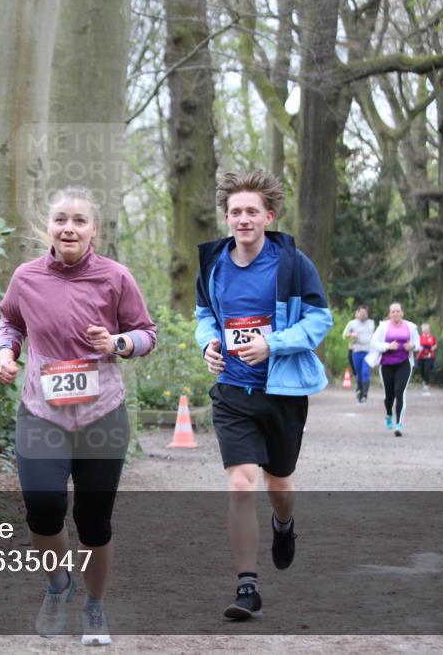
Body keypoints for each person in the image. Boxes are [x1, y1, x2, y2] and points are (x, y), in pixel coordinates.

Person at [0, 187, 156, 646]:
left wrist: (118, 343)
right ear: (48, 226)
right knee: (43, 510)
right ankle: (58, 586)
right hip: (41, 412)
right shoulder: (26, 277)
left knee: (94, 521)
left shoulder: (115, 277)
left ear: (94, 230)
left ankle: (95, 606)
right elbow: (10, 322)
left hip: (101, 413)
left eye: (79, 220)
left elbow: (146, 333)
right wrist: (7, 352)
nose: (69, 228)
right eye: (61, 219)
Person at [195, 170, 332, 621]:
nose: (243, 219)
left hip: (283, 393)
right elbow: (203, 315)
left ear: (268, 215)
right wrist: (208, 343)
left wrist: (272, 343)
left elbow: (319, 322)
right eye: (235, 212)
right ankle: (247, 586)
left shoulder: (293, 263)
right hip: (233, 391)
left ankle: (284, 524)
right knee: (239, 484)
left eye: (252, 211)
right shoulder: (213, 264)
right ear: (227, 218)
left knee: (279, 485)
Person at [366, 302, 420, 436]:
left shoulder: (410, 327)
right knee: (389, 396)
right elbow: (373, 343)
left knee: (399, 392)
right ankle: (389, 413)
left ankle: (399, 425)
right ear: (389, 314)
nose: (395, 314)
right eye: (393, 312)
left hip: (404, 363)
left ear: (402, 313)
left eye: (398, 311)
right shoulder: (383, 327)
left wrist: (412, 346)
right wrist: (388, 346)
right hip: (387, 365)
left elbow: (418, 344)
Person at [342, 305, 375, 403]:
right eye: (361, 313)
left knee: (365, 372)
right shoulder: (352, 323)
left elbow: (373, 336)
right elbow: (344, 335)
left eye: (365, 314)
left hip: (368, 351)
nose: (363, 315)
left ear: (367, 314)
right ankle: (359, 391)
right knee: (359, 373)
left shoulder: (371, 323)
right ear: (358, 313)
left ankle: (365, 394)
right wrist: (352, 335)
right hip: (356, 351)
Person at [417, 323, 437, 394]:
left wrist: (433, 348)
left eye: (427, 329)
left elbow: (435, 345)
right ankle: (424, 380)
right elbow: (416, 345)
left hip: (429, 355)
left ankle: (426, 383)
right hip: (421, 356)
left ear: (429, 330)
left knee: (427, 369)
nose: (425, 331)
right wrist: (420, 348)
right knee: (421, 369)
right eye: (424, 329)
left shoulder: (432, 337)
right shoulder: (419, 337)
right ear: (422, 330)